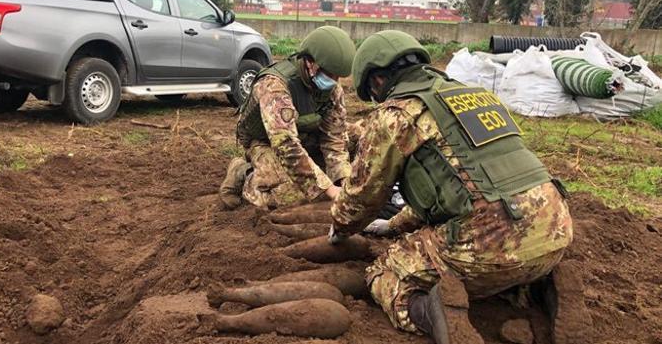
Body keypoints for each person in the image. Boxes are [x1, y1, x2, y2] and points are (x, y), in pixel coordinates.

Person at [328, 30, 589, 344]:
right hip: (555, 232)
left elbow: (362, 194)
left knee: (384, 274)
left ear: (378, 81)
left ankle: (434, 314)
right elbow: (467, 183)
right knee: (508, 255)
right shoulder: (477, 96)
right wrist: (395, 223)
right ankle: (545, 285)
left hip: (487, 247)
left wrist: (341, 227)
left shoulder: (394, 115)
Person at [218, 26, 356, 209]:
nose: (334, 81)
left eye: (338, 76)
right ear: (309, 62)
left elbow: (335, 136)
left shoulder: (331, 89)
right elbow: (286, 146)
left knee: (363, 136)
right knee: (290, 198)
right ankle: (244, 173)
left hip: (304, 133)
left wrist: (343, 180)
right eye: (329, 74)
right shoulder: (274, 86)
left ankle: (317, 171)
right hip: (265, 141)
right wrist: (330, 190)